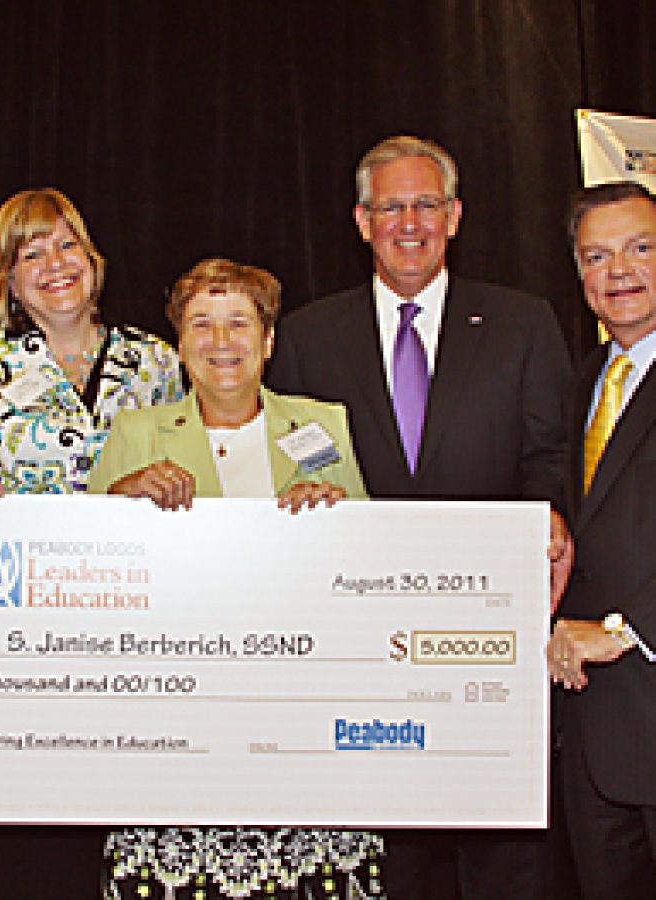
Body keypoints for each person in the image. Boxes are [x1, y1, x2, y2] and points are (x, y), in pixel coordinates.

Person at [269, 136, 573, 899]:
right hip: (359, 642)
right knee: (383, 846)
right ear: (362, 221)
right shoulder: (308, 336)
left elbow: (549, 455)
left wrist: (553, 519)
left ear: (456, 215)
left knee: (499, 847)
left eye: (426, 205)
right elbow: (294, 467)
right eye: (391, 207)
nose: (411, 223)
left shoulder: (524, 322)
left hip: (488, 633)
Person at [90, 257, 381, 899]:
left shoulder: (320, 425)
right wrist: (123, 497)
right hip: (177, 725)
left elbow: (367, 561)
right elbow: (88, 566)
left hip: (303, 721)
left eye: (239, 323)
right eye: (201, 324)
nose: (222, 342)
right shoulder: (137, 433)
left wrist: (331, 512)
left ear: (269, 340)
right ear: (179, 345)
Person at [0, 188, 182, 496]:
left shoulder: (154, 360)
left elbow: (186, 468)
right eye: (32, 255)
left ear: (90, 258)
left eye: (67, 245)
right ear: (9, 281)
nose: (56, 263)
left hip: (132, 542)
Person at [547, 181, 656, 898]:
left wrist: (627, 630)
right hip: (589, 730)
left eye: (641, 248)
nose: (619, 270)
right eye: (597, 255)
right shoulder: (578, 381)